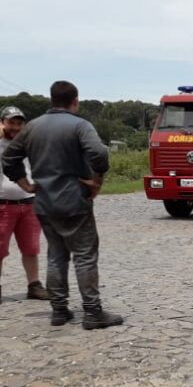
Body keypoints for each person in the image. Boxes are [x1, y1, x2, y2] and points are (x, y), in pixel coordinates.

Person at [1, 80, 123, 329]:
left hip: (44, 202)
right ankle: (92, 312)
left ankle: (58, 310)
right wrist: (97, 181)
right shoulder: (80, 125)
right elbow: (99, 153)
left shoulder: (32, 127)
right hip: (74, 201)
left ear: (51, 100)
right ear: (75, 101)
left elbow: (9, 157)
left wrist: (25, 184)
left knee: (56, 255)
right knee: (85, 256)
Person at [0, 106, 49, 304]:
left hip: (28, 203)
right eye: (11, 122)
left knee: (31, 248)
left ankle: (34, 285)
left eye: (19, 123)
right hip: (3, 204)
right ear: (3, 122)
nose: (15, 127)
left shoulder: (28, 144)